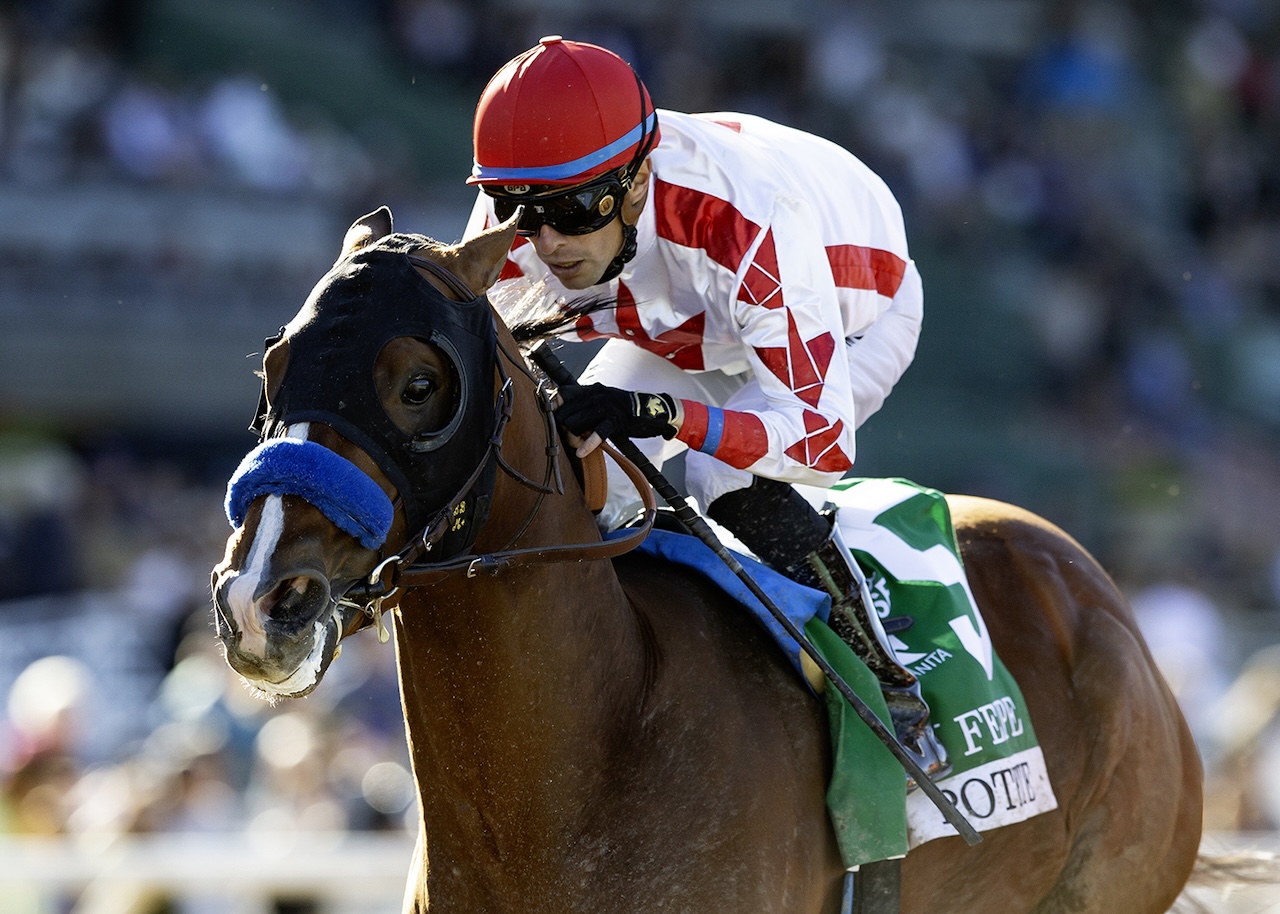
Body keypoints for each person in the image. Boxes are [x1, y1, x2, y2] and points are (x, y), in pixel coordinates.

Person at [462, 36, 945, 775]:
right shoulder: (529, 216)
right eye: (519, 209)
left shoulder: (744, 220)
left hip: (854, 315)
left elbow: (817, 439)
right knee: (577, 476)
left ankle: (888, 686)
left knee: (722, 477)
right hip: (688, 329)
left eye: (572, 207)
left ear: (636, 179)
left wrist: (663, 416)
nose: (546, 241)